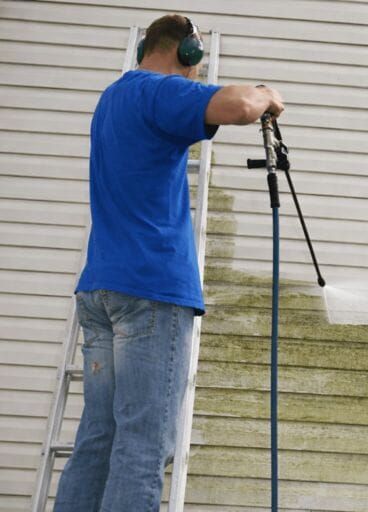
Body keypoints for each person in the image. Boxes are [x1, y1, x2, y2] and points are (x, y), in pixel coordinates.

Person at [53, 14, 283, 512]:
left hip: (102, 292)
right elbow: (241, 106)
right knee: (143, 444)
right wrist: (267, 93)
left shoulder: (111, 98)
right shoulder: (159, 91)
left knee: (99, 439)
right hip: (150, 294)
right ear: (188, 54)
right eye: (196, 66)